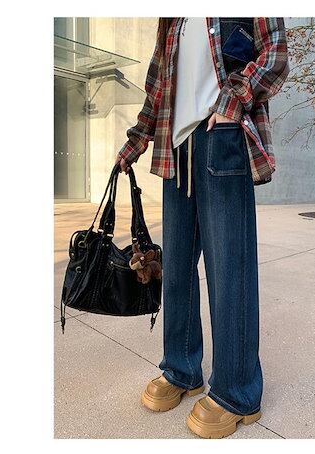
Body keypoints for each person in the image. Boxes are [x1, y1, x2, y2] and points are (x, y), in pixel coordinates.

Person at [115, 17, 289, 439]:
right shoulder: (172, 17)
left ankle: (237, 392)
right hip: (175, 148)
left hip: (222, 138)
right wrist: (137, 140)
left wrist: (233, 101)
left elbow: (276, 53)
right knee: (176, 271)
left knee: (230, 271)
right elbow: (158, 85)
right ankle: (181, 369)